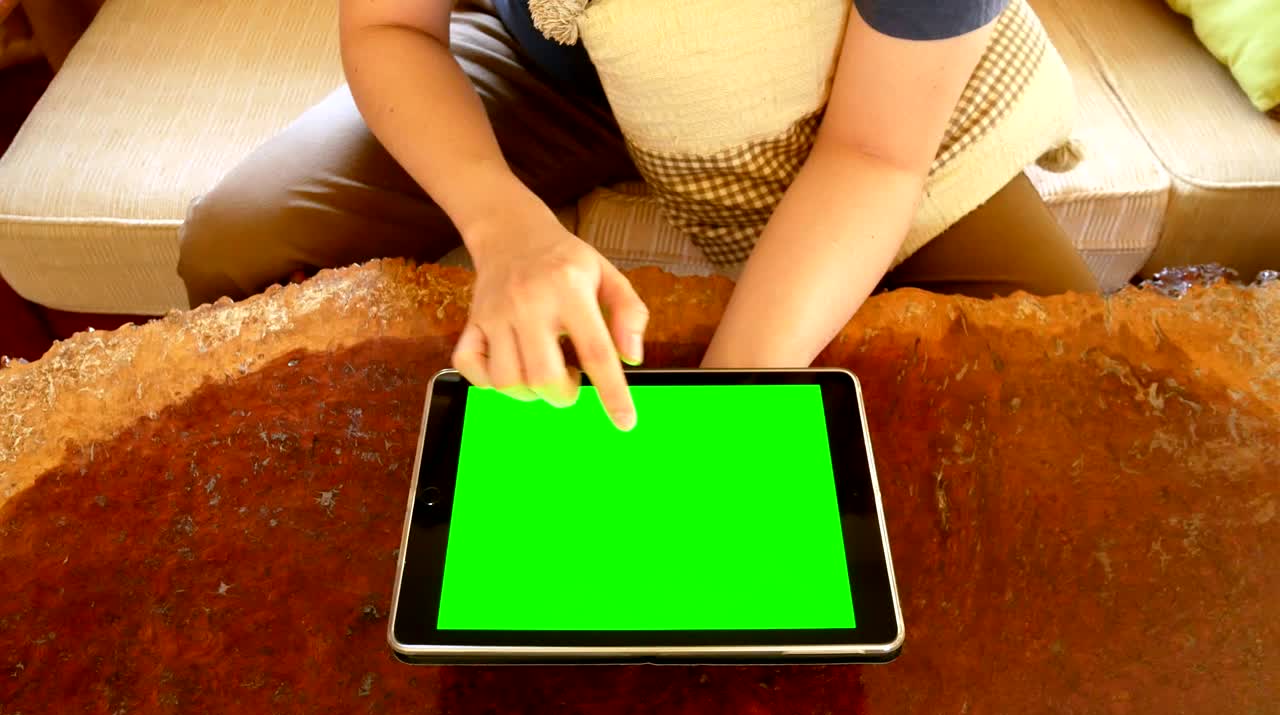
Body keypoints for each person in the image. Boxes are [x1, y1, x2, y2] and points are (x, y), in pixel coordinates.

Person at [177, 0, 1098, 432]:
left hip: (819, 106)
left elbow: (875, 151)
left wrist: (731, 409)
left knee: (1066, 377)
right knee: (244, 244)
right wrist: (508, 232)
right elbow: (390, 27)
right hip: (555, 70)